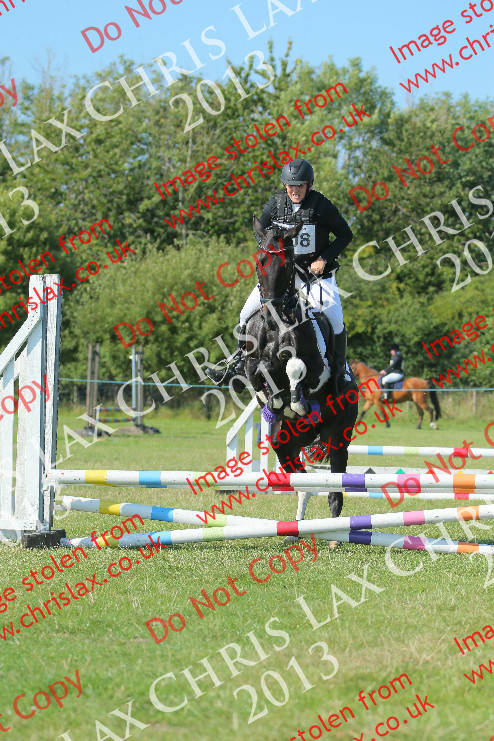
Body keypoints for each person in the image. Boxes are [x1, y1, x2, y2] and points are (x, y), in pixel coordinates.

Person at [206, 158, 354, 392]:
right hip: (282, 276)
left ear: (309, 185)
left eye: (300, 185)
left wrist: (323, 258)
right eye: (291, 185)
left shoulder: (322, 206)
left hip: (315, 275)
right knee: (245, 314)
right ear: (285, 185)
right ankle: (238, 365)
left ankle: (339, 371)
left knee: (335, 319)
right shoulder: (275, 204)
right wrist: (272, 256)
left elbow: (346, 234)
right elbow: (261, 234)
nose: (295, 190)